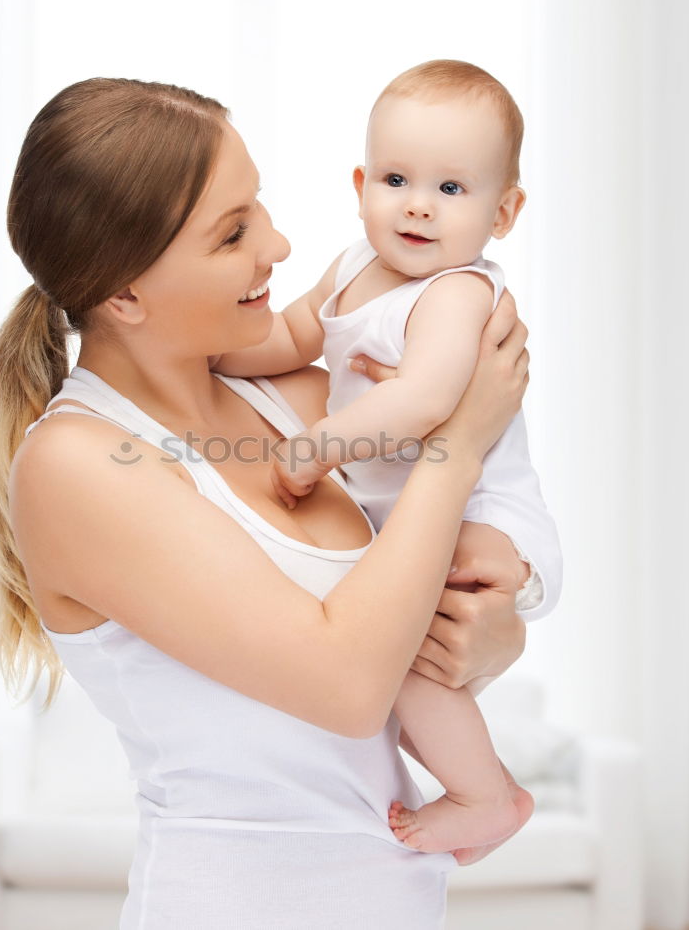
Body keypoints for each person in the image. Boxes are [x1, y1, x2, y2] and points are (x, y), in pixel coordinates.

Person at [0, 76, 558, 929]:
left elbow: (428, 585)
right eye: (234, 232)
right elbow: (350, 683)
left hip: (399, 897)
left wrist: (495, 629)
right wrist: (455, 445)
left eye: (261, 208)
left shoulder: (300, 395)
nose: (280, 246)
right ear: (126, 294)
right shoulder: (76, 464)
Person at [211, 60, 559, 856]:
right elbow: (294, 336)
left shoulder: (458, 293)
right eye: (397, 178)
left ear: (504, 212)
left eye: (451, 189)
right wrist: (220, 352)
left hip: (483, 516)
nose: (416, 205)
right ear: (362, 181)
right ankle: (478, 786)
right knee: (398, 659)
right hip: (412, 514)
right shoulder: (348, 271)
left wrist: (317, 448)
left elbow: (425, 401)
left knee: (404, 651)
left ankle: (486, 793)